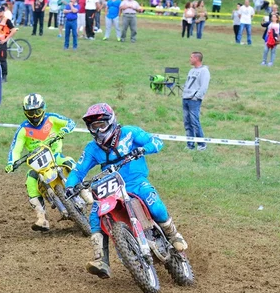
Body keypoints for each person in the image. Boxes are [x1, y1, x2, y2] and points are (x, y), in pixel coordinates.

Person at [65, 103, 188, 279]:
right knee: (95, 213)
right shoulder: (92, 149)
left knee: (154, 204)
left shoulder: (130, 133)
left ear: (111, 121)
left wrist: (144, 149)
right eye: (94, 127)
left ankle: (173, 234)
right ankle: (101, 260)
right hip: (111, 187)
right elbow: (78, 171)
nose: (99, 131)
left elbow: (156, 141)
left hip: (136, 182)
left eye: (101, 126)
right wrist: (70, 187)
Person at [5, 93, 77, 231]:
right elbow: (15, 148)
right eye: (31, 113)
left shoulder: (52, 118)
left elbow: (70, 122)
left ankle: (84, 191)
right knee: (30, 181)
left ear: (43, 108)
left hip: (55, 156)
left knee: (69, 162)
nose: (35, 116)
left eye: (37, 111)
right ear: (25, 112)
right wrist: (11, 162)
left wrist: (65, 129)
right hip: (37, 164)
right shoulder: (23, 129)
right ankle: (41, 218)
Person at [182, 52, 210, 151]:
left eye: (191, 57)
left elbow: (204, 86)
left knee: (194, 122)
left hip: (194, 100)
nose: (190, 59)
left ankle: (201, 144)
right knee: (187, 122)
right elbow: (187, 83)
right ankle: (190, 144)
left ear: (197, 59)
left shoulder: (204, 71)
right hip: (185, 98)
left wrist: (196, 96)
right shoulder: (191, 70)